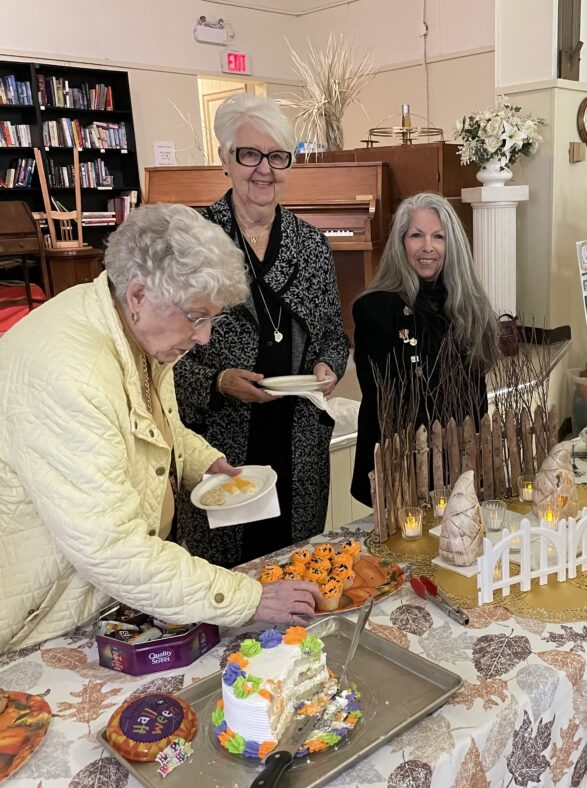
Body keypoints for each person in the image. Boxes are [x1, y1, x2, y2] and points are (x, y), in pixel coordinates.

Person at [0, 203, 321, 654]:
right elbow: (112, 549)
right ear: (138, 294)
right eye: (197, 316)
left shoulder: (132, 326)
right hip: (42, 622)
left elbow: (152, 422)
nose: (206, 336)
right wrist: (247, 598)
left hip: (100, 602)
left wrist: (201, 459)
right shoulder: (70, 374)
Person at [174, 94, 349, 567]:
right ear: (225, 160)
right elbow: (158, 356)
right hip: (219, 439)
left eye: (277, 157)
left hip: (296, 437)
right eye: (249, 155)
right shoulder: (193, 240)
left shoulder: (310, 244)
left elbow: (333, 331)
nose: (264, 170)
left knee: (292, 564)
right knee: (224, 572)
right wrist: (216, 382)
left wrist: (329, 365)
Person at [351, 192, 498, 507]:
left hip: (461, 462)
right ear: (401, 243)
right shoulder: (375, 307)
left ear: (452, 245)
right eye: (416, 235)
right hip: (402, 464)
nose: (427, 247)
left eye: (438, 237)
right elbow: (383, 396)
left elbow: (477, 393)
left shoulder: (470, 307)